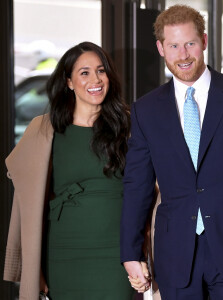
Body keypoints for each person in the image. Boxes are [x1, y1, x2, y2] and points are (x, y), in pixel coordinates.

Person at [120, 5, 223, 300]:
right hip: (175, 255)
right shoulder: (146, 110)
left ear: (204, 42)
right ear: (161, 48)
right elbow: (137, 185)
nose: (183, 55)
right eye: (173, 45)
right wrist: (131, 252)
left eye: (190, 43)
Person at [3, 41, 134, 300]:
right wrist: (34, 268)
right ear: (69, 82)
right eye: (84, 72)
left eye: (101, 70)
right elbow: (26, 200)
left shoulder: (130, 125)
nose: (95, 79)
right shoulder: (43, 130)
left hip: (116, 255)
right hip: (62, 254)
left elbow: (151, 188)